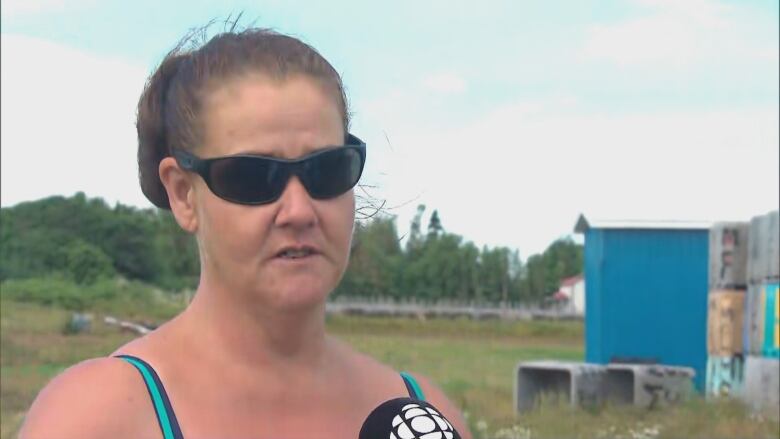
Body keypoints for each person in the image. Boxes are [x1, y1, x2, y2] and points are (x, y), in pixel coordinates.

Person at [19, 24, 472, 439]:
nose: (298, 210)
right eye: (253, 177)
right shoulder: (98, 417)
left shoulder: (422, 415)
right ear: (182, 194)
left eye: (327, 170)